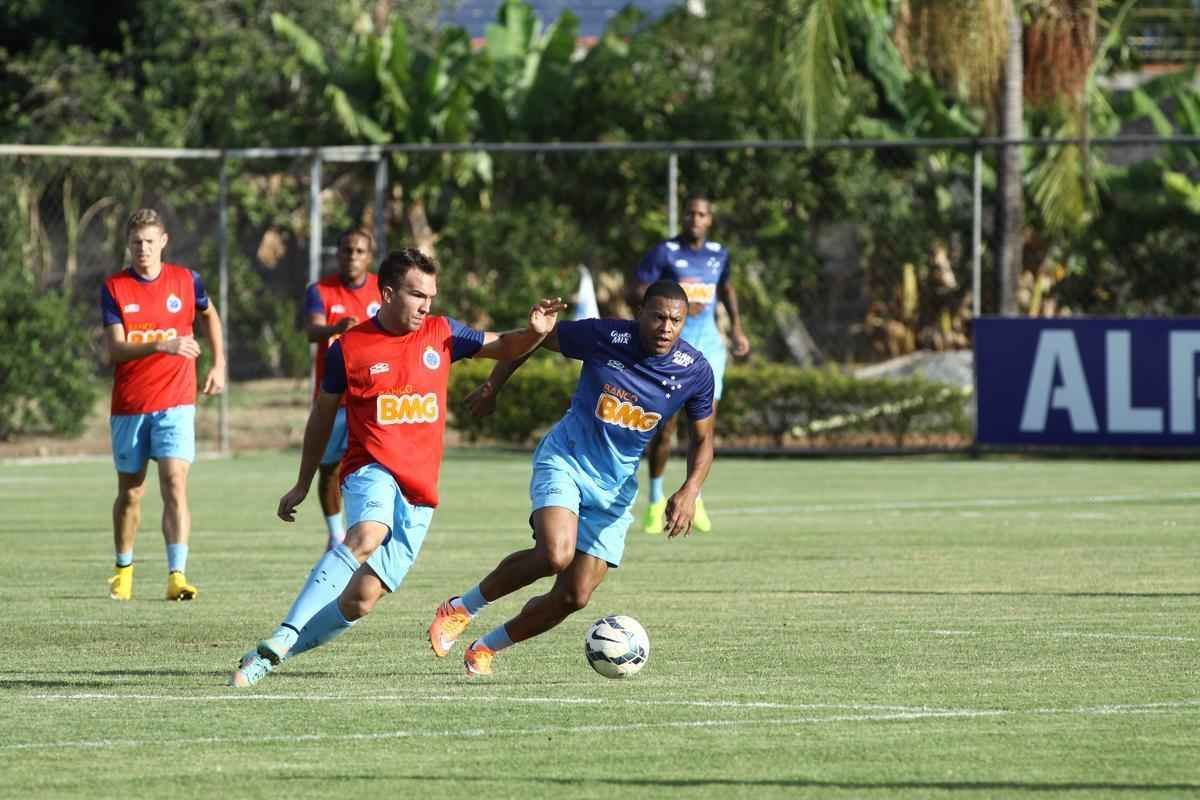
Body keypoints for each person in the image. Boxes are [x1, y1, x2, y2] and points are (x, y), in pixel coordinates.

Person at [230, 248, 565, 687]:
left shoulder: (442, 334)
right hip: (370, 469)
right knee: (368, 533)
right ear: (387, 293)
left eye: (430, 295)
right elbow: (322, 417)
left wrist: (533, 331)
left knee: (360, 601)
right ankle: (286, 631)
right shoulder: (347, 349)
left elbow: (503, 345)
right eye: (416, 294)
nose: (426, 304)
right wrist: (303, 481)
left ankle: (274, 656)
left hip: (420, 492)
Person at [427, 279, 715, 677]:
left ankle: (485, 649)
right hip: (566, 459)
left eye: (676, 321)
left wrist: (690, 488)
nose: (667, 327)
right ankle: (461, 608)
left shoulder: (695, 371)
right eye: (659, 317)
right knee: (554, 554)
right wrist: (494, 385)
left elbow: (704, 441)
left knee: (574, 595)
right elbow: (532, 339)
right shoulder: (605, 335)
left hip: (614, 489)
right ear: (640, 314)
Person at [100, 208, 226, 601]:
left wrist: (219, 364)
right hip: (130, 405)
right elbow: (115, 350)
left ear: (163, 242)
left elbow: (210, 315)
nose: (143, 249)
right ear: (128, 244)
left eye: (150, 242)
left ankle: (177, 575)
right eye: (136, 242)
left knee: (174, 483)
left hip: (176, 401)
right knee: (132, 493)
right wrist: (162, 344)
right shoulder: (115, 287)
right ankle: (123, 570)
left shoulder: (187, 281)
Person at [627, 194, 749, 534]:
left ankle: (694, 496)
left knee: (704, 430)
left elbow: (726, 288)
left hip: (709, 350)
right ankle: (654, 499)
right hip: (671, 352)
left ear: (710, 219)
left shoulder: (718, 254)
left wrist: (737, 329)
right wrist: (676, 303)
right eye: (690, 213)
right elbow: (636, 291)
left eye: (702, 214)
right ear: (684, 217)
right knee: (664, 429)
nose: (695, 219)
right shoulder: (665, 251)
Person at [303, 228, 382, 551]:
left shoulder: (383, 289)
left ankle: (367, 530)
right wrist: (335, 329)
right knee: (330, 470)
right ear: (338, 254)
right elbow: (311, 331)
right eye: (347, 250)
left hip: (373, 400)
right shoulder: (320, 290)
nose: (353, 256)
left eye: (360, 251)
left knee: (375, 467)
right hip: (334, 399)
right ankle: (336, 536)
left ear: (369, 256)